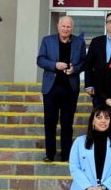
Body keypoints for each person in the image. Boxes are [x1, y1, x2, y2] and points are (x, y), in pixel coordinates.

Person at [37, 16, 86, 162]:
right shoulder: (47, 40)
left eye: (69, 27)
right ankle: (50, 154)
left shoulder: (79, 42)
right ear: (58, 26)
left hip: (70, 88)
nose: (66, 29)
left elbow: (84, 62)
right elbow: (40, 59)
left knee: (67, 122)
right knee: (50, 121)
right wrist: (54, 65)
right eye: (63, 26)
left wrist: (74, 69)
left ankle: (66, 155)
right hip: (51, 88)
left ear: (72, 28)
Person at [84, 11, 111, 105]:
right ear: (106, 24)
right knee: (99, 115)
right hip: (98, 87)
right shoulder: (96, 41)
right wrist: (88, 85)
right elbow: (88, 65)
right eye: (110, 21)